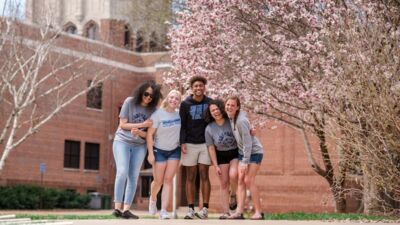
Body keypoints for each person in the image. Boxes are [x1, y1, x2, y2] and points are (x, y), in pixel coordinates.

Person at [112, 80, 162, 219]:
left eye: (152, 96)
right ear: (141, 92)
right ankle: (117, 208)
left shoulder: (154, 111)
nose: (148, 98)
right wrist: (142, 124)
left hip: (140, 145)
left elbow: (152, 135)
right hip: (122, 141)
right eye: (146, 94)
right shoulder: (130, 102)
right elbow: (122, 124)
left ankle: (126, 210)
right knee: (122, 171)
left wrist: (140, 132)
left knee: (133, 176)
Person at [225, 96, 264, 220]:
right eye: (228, 105)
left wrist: (244, 162)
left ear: (237, 107)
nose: (229, 107)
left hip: (254, 152)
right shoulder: (231, 117)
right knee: (240, 180)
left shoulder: (241, 121)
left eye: (232, 105)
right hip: (243, 153)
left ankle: (259, 212)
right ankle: (239, 212)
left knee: (248, 180)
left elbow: (248, 143)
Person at [179, 76, 212, 219]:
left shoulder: (210, 102)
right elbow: (182, 124)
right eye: (195, 86)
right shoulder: (185, 104)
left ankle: (204, 209)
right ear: (192, 88)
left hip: (205, 143)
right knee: (190, 176)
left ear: (204, 87)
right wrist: (182, 143)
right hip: (190, 143)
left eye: (201, 85)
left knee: (204, 174)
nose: (198, 88)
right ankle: (190, 209)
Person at [146, 90, 182, 219]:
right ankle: (153, 198)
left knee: (168, 180)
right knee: (158, 181)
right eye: (172, 97)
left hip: (174, 151)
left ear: (179, 102)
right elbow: (150, 134)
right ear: (167, 98)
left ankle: (164, 211)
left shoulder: (179, 115)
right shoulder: (158, 114)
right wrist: (150, 154)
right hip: (159, 150)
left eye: (177, 99)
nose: (174, 100)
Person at [204, 99, 239, 219]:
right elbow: (211, 148)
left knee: (234, 175)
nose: (215, 112)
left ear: (221, 109)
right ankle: (225, 212)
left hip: (234, 153)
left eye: (217, 109)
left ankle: (233, 194)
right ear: (210, 113)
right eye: (212, 110)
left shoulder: (231, 121)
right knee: (224, 184)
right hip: (221, 156)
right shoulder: (209, 128)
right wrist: (215, 165)